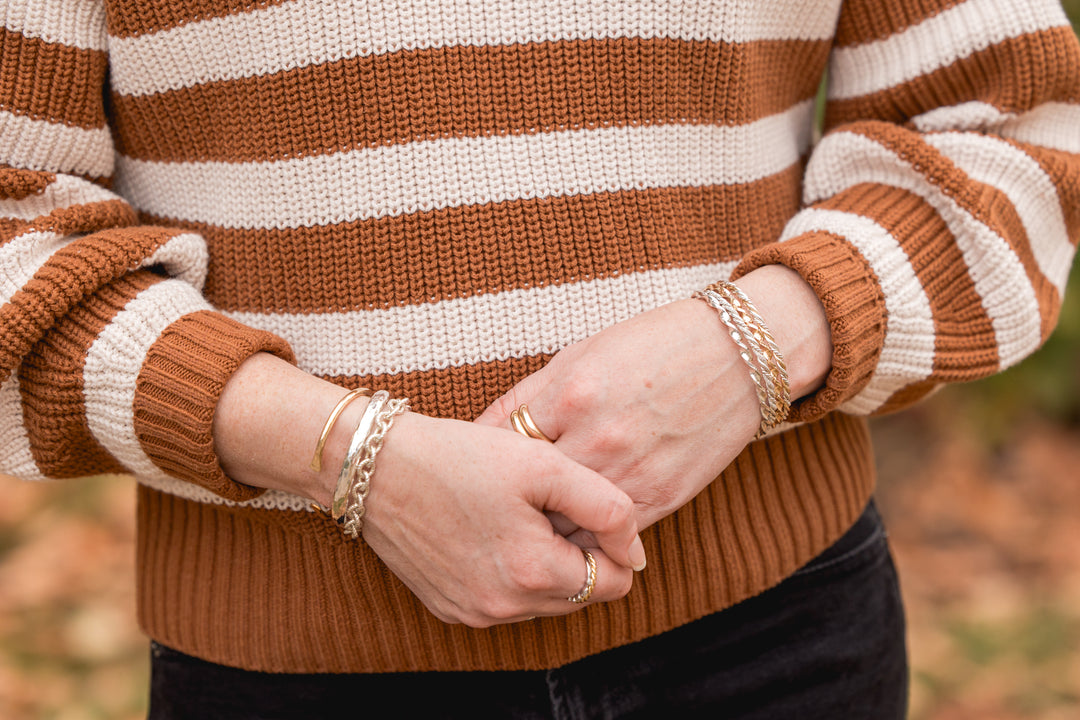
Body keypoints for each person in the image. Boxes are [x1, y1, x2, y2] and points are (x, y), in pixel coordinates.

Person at [2, 0, 1078, 716]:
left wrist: (754, 341)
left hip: (780, 645)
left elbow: (1014, 120)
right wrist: (345, 456)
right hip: (293, 672)